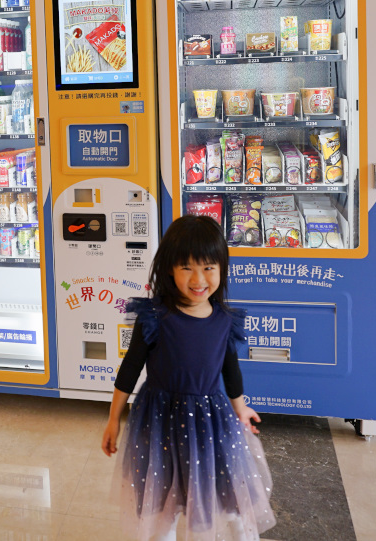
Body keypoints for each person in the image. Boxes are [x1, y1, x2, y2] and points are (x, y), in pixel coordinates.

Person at [101, 215, 275, 540]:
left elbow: (230, 370)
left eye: (209, 267)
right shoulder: (154, 317)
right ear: (169, 269)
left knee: (223, 497)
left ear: (222, 269)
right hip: (159, 421)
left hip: (211, 423)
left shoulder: (224, 320)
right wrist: (113, 419)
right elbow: (130, 369)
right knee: (159, 502)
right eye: (187, 268)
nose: (199, 279)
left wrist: (242, 408)